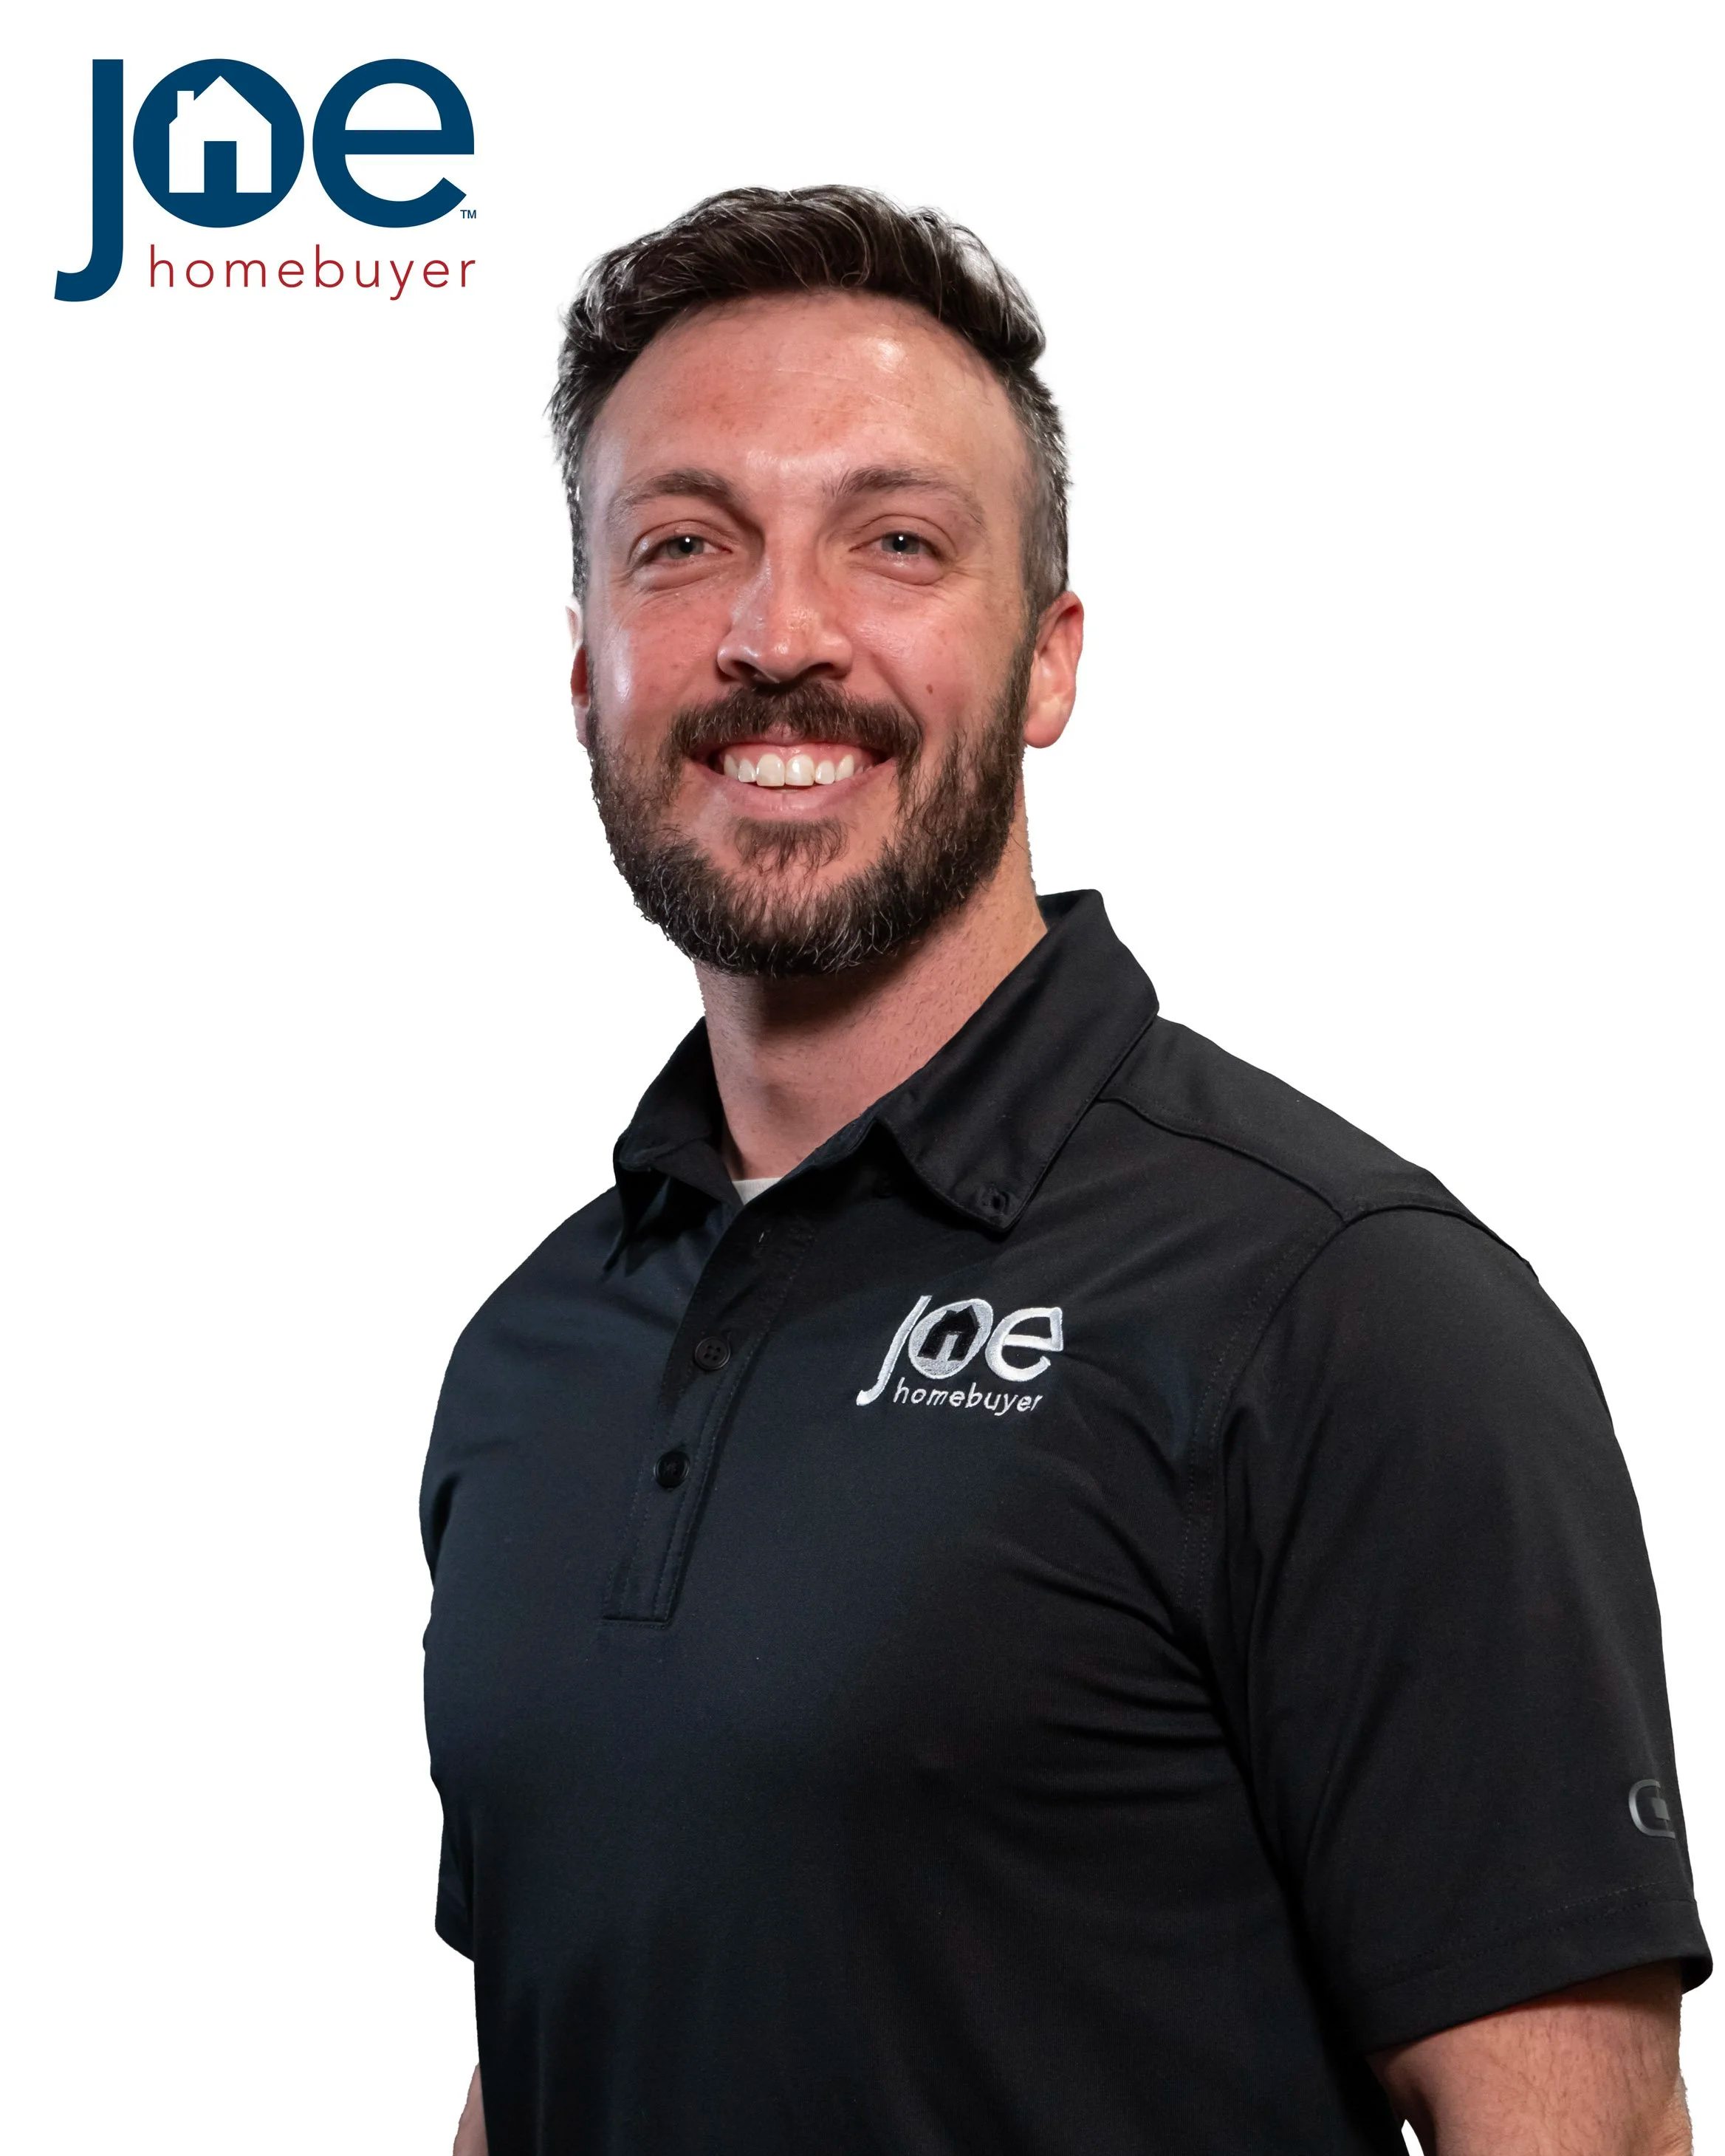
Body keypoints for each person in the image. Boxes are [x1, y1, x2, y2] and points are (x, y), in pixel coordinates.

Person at [420, 186, 1708, 2155]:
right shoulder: (533, 1361)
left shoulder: (1343, 1315)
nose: (779, 635)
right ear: (586, 662)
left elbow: (1584, 2137)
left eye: (897, 542)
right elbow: (565, 2045)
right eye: (682, 547)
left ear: (1048, 662)